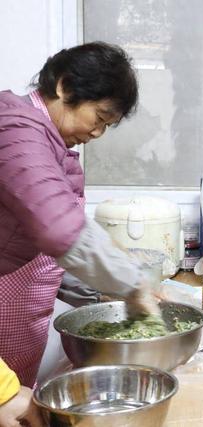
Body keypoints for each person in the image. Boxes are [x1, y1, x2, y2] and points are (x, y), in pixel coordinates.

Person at [0, 42, 160, 427]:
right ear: (64, 86)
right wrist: (132, 284)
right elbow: (59, 228)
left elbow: (46, 254)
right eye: (99, 117)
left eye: (108, 125)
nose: (98, 132)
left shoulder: (50, 146)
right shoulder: (16, 130)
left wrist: (101, 291)